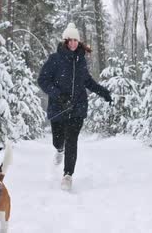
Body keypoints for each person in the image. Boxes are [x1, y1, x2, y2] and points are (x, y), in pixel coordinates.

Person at [37, 23, 112, 191]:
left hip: (78, 107)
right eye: (70, 40)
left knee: (72, 140)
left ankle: (67, 175)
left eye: (75, 40)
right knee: (58, 141)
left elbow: (87, 81)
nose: (72, 43)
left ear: (79, 42)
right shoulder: (54, 59)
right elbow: (43, 80)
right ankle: (59, 149)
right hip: (58, 108)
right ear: (65, 41)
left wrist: (103, 92)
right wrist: (59, 95)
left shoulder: (81, 61)